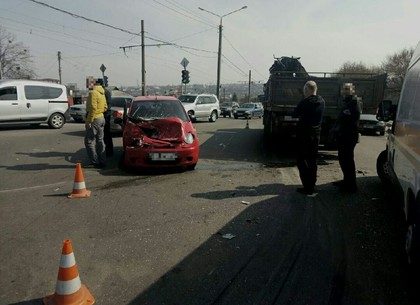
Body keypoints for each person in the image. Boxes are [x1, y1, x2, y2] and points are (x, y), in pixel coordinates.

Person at [293, 80, 325, 195]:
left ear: (306, 90)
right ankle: (312, 184)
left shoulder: (304, 103)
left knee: (302, 160)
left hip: (304, 135)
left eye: (304, 91)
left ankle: (307, 186)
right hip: (316, 135)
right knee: (313, 160)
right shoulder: (322, 101)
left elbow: (294, 114)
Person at [332, 83, 361, 192]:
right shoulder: (347, 102)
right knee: (343, 159)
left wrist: (345, 116)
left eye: (348, 89)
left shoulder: (354, 102)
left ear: (353, 90)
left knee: (348, 160)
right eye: (344, 89)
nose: (345, 91)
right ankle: (346, 181)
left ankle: (351, 185)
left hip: (349, 136)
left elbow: (353, 117)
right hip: (344, 136)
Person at [84, 79, 107, 168]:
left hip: (95, 119)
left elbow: (93, 108)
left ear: (91, 84)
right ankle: (102, 160)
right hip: (101, 118)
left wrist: (89, 121)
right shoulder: (102, 92)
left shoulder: (93, 93)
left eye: (88, 84)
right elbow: (105, 107)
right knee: (100, 140)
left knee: (89, 141)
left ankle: (95, 161)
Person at [103, 86, 114, 157]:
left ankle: (109, 151)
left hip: (106, 115)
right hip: (106, 114)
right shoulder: (105, 92)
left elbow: (108, 105)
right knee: (106, 134)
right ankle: (109, 150)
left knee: (106, 134)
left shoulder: (105, 92)